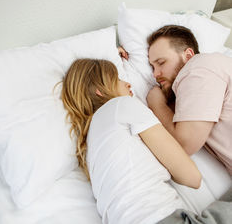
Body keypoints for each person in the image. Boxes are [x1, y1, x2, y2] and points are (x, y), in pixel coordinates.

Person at [61, 58, 202, 224]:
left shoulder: (90, 146)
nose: (128, 83)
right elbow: (192, 178)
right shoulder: (122, 105)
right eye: (118, 79)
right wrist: (156, 101)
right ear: (100, 90)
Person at [146, 25, 232, 176]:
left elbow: (184, 145)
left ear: (188, 55)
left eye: (161, 62)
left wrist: (156, 104)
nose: (155, 74)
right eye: (152, 67)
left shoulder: (199, 67)